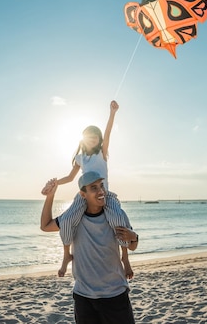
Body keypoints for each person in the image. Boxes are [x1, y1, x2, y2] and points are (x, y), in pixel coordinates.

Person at [41, 100, 133, 279]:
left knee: (119, 218)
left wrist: (112, 113)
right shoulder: (80, 157)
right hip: (84, 196)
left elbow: (108, 133)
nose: (93, 139)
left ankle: (125, 258)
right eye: (89, 136)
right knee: (67, 220)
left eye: (95, 137)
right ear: (83, 139)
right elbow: (70, 177)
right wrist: (54, 184)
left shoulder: (102, 153)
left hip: (105, 195)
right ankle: (67, 254)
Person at [40, 171, 139, 324]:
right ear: (83, 194)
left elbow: (132, 246)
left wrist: (134, 237)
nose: (100, 191)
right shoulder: (73, 220)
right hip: (84, 297)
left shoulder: (116, 216)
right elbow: (45, 226)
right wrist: (50, 195)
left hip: (115, 294)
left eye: (101, 186)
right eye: (94, 188)